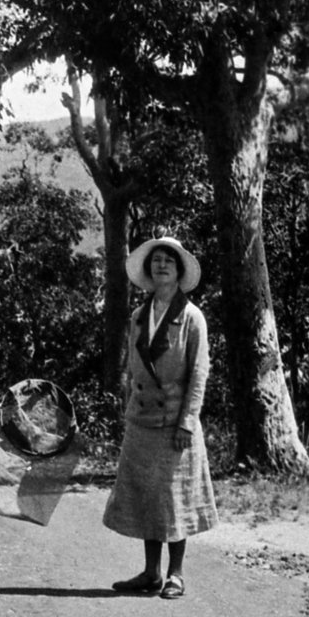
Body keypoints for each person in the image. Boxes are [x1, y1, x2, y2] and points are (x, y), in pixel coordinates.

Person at [103, 235, 218, 598]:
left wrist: (187, 421)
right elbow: (131, 369)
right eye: (156, 260)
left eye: (169, 260)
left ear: (179, 269)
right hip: (142, 421)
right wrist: (127, 408)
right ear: (149, 271)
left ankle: (176, 574)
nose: (162, 265)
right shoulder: (139, 315)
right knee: (146, 497)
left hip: (174, 421)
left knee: (175, 497)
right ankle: (151, 573)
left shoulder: (192, 317)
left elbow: (199, 373)